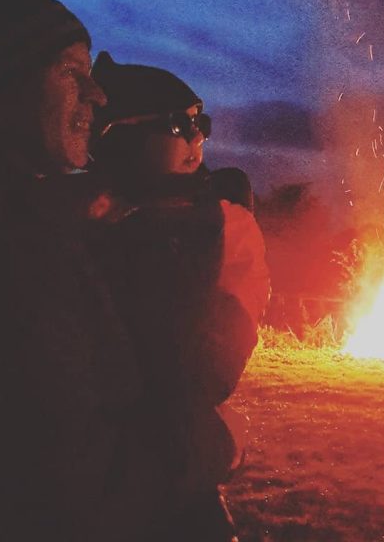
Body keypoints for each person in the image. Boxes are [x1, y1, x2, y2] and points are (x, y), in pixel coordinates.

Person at [0, 0, 169, 541]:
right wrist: (216, 446)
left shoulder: (41, 222)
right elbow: (67, 491)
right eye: (70, 71)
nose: (97, 94)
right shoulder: (17, 246)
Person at [88, 50, 270, 542]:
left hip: (170, 463)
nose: (197, 137)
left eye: (199, 122)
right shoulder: (79, 219)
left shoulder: (223, 224)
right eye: (176, 125)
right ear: (119, 135)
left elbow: (210, 367)